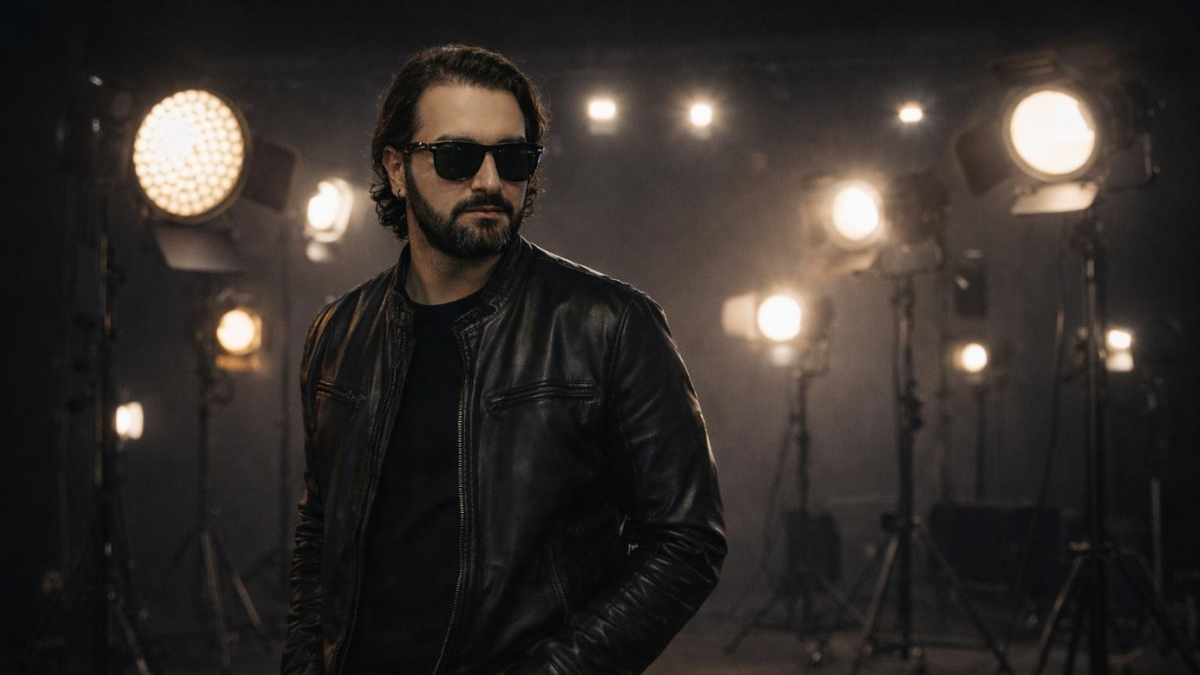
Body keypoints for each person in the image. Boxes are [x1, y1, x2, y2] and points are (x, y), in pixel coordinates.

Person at [283, 44, 726, 675]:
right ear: (397, 168)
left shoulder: (609, 324)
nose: (490, 181)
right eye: (458, 156)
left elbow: (687, 540)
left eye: (513, 158)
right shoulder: (338, 333)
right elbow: (319, 532)